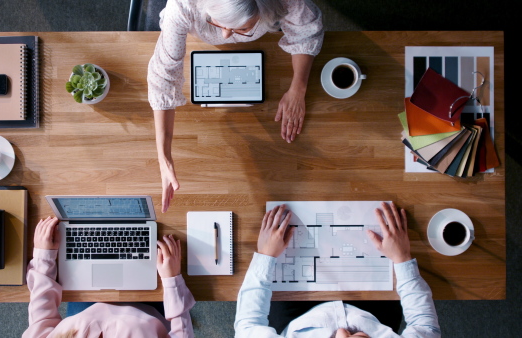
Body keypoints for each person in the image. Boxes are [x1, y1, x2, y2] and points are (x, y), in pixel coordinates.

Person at [148, 0, 324, 212]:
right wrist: (163, 158)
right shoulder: (182, 6)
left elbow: (306, 32)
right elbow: (163, 79)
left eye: (242, 29)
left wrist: (298, 89)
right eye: (217, 23)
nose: (226, 36)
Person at [234, 203, 441, 337]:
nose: (342, 332)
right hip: (373, 314)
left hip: (299, 316)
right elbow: (426, 328)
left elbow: (247, 327)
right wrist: (401, 257)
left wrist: (266, 255)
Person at [22, 216, 195, 338]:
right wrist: (172, 280)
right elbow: (182, 334)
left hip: (88, 309)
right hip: (151, 312)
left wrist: (44, 256)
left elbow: (41, 317)